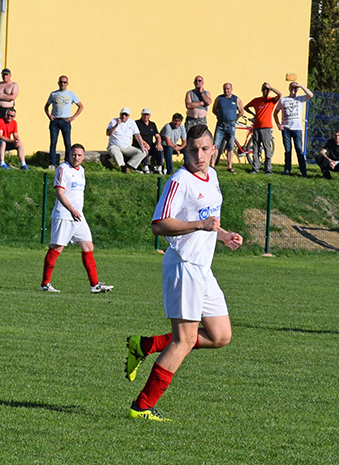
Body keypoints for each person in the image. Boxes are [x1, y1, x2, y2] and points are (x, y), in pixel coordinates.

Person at [125, 124, 243, 421]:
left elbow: (208, 219)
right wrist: (199, 227)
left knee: (220, 336)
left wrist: (224, 234)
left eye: (205, 149)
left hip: (203, 269)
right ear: (184, 150)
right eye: (193, 150)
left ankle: (146, 344)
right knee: (185, 340)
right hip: (183, 266)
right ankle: (141, 407)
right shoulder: (179, 181)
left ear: (214, 149)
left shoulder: (213, 176)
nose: (199, 155)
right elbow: (159, 224)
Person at [40, 144, 114, 294]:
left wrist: (77, 211)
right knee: (56, 248)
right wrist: (72, 210)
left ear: (84, 157)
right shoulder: (63, 169)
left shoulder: (82, 171)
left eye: (79, 155)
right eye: (74, 155)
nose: (76, 158)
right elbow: (60, 193)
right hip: (65, 215)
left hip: (78, 216)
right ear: (69, 155)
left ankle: (94, 285)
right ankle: (45, 284)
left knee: (88, 247)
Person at [274, 81, 314, 176]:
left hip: (297, 128)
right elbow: (275, 113)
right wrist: (278, 124)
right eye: (292, 87)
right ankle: (287, 169)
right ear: (289, 88)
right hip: (286, 128)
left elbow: (310, 95)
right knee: (287, 150)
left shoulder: (300, 99)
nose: (294, 90)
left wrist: (300, 86)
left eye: (296, 88)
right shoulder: (283, 100)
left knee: (299, 149)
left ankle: (303, 171)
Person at [44, 75, 83, 169]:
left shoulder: (71, 94)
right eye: (61, 82)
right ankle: (52, 163)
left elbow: (81, 106)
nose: (63, 84)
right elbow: (46, 107)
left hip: (65, 121)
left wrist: (73, 117)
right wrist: (49, 115)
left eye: (64, 82)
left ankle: (68, 163)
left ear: (67, 83)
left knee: (67, 143)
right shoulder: (54, 94)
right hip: (55, 121)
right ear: (58, 83)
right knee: (53, 142)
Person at [244, 82, 282, 174]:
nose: (265, 91)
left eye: (267, 90)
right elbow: (246, 107)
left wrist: (271, 87)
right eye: (264, 89)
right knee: (255, 148)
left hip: (266, 127)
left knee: (267, 148)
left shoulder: (271, 100)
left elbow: (280, 95)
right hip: (256, 127)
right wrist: (253, 114)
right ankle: (255, 168)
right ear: (261, 90)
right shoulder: (257, 100)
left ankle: (268, 169)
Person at [210, 83, 244, 172]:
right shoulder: (219, 98)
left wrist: (234, 118)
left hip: (231, 126)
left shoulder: (236, 99)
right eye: (225, 89)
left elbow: (241, 111)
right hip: (220, 125)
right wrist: (220, 116)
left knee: (230, 146)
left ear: (231, 89)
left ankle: (229, 166)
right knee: (215, 145)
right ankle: (212, 165)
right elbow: (214, 110)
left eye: (228, 89)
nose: (226, 91)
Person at [106, 107, 147, 173]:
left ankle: (128, 166)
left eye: (126, 115)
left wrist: (142, 145)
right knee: (113, 150)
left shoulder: (132, 122)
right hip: (115, 145)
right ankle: (123, 166)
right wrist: (117, 125)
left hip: (127, 147)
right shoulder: (113, 121)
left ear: (129, 116)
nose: (124, 116)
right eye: (122, 114)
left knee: (143, 152)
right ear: (120, 114)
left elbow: (137, 135)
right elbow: (108, 133)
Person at [135, 108, 163, 174]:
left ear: (150, 116)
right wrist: (144, 143)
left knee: (160, 149)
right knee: (145, 148)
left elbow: (157, 135)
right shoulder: (137, 123)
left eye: (147, 115)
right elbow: (135, 136)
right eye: (144, 115)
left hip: (150, 144)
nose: (145, 116)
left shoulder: (152, 124)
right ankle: (146, 166)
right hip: (139, 144)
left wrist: (158, 143)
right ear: (141, 115)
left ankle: (159, 167)